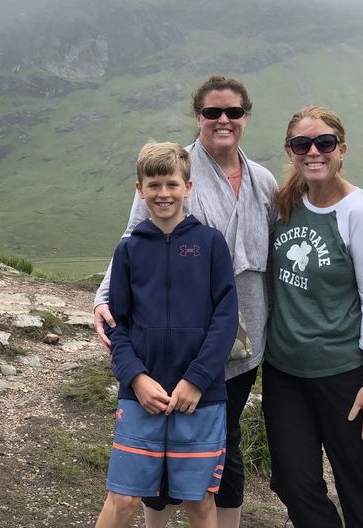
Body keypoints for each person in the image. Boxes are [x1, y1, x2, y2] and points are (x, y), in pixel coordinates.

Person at [94, 74, 277, 528]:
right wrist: (104, 297)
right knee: (156, 453)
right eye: (212, 112)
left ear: (245, 117)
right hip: (160, 350)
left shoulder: (264, 181)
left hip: (235, 344)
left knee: (223, 444)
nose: (223, 120)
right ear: (198, 117)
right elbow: (132, 243)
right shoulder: (175, 168)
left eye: (233, 112)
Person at [95, 142, 239, 528]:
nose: (163, 193)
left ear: (187, 187)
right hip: (141, 394)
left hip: (202, 397)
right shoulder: (127, 250)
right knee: (122, 498)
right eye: (154, 185)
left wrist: (196, 380)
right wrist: (136, 378)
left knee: (199, 501)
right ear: (139, 190)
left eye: (172, 184)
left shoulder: (211, 244)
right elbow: (118, 325)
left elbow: (225, 319)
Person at [263, 106, 363, 528]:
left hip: (343, 373)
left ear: (342, 150)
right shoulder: (284, 203)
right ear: (290, 150)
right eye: (303, 144)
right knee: (292, 482)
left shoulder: (359, 211)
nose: (313, 151)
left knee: (357, 484)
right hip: (284, 372)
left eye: (324, 143)